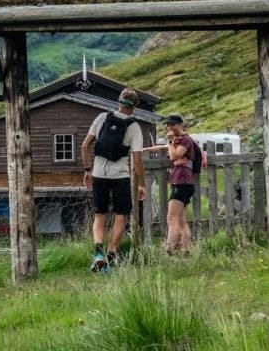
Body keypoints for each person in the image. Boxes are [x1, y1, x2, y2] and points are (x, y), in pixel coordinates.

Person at [81, 88, 145, 272]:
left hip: (99, 174)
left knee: (99, 214)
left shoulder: (102, 118)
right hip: (121, 176)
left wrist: (87, 170)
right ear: (134, 107)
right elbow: (138, 160)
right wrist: (142, 184)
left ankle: (98, 252)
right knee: (121, 215)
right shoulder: (134, 127)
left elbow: (85, 147)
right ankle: (111, 255)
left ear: (119, 101)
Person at [145, 114, 196, 255]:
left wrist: (170, 142)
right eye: (168, 125)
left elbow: (174, 155)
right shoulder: (178, 140)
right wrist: (144, 151)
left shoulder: (185, 140)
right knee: (181, 220)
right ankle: (186, 249)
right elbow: (163, 148)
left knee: (171, 217)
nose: (170, 127)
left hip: (182, 183)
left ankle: (169, 248)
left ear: (180, 124)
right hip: (183, 183)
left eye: (172, 124)